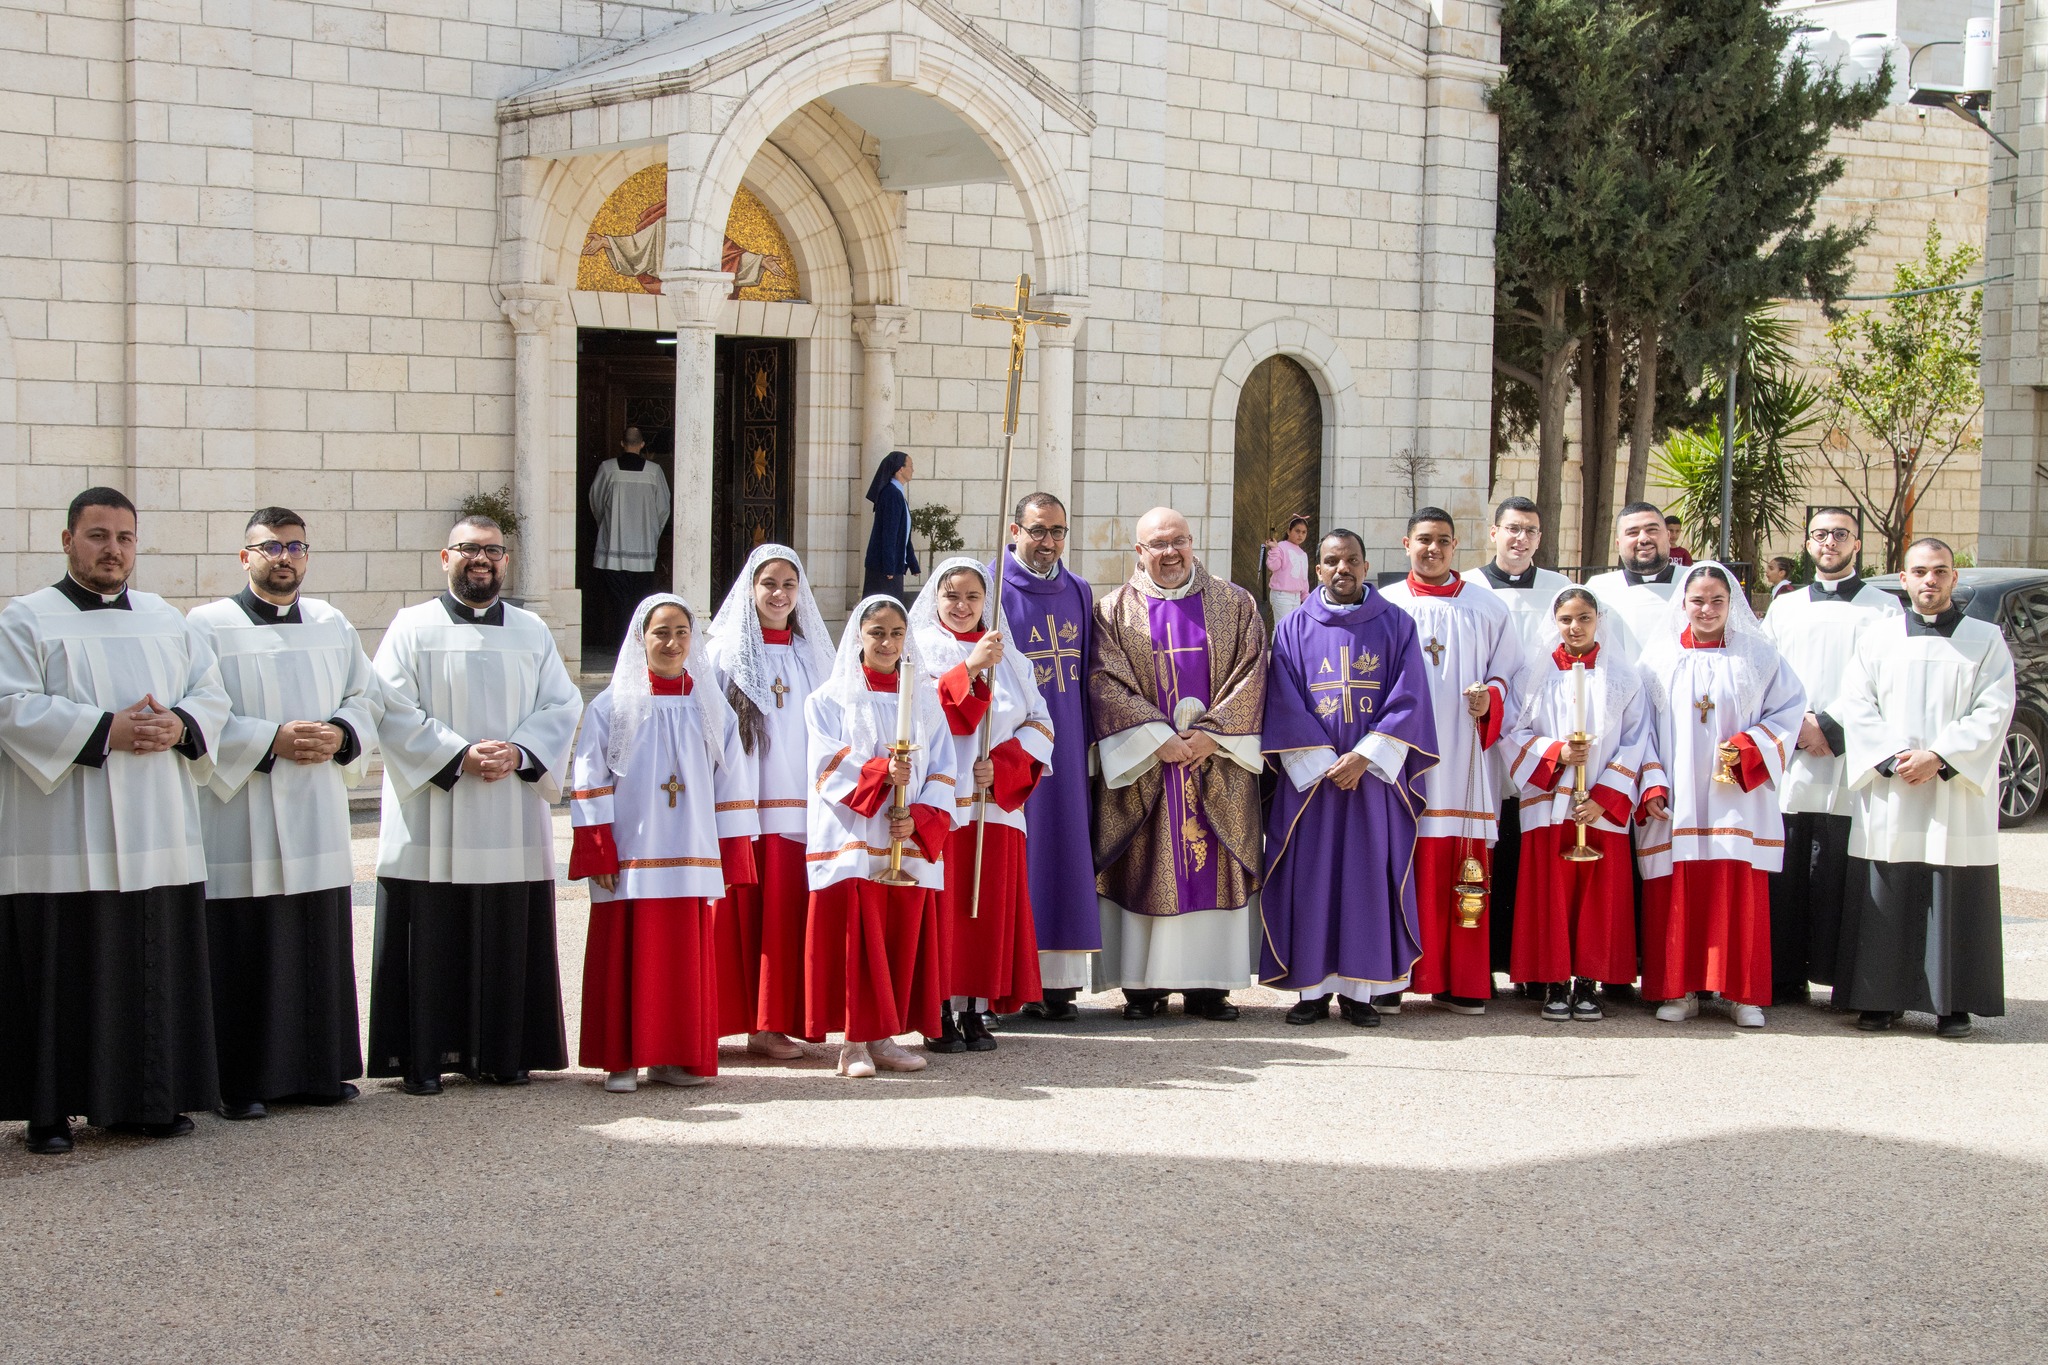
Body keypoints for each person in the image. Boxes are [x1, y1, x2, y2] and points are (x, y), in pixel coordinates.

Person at [0, 487, 232, 1154]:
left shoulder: (166, 619)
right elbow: (10, 705)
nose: (113, 550)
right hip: (60, 834)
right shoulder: (26, 618)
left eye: (125, 537)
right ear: (67, 540)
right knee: (61, 967)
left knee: (148, 964)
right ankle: (49, 1111)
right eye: (98, 535)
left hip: (156, 827)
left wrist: (180, 724)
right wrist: (107, 730)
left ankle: (146, 1100)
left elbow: (211, 693)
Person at [368, 515, 584, 1094]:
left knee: (506, 928)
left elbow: (562, 704)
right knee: (430, 932)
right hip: (434, 809)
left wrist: (519, 751)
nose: (481, 559)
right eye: (468, 549)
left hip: (508, 806)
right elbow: (389, 705)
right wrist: (456, 754)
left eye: (492, 550)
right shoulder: (411, 626)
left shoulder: (532, 630)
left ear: (505, 561)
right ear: (446, 558)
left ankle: (504, 1055)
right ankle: (422, 1060)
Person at [188, 508, 383, 1121]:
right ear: (244, 556)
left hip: (315, 805)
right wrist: (267, 740)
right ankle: (239, 1080)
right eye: (270, 546)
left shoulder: (331, 622)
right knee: (244, 940)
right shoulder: (206, 625)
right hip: (240, 808)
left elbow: (367, 695)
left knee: (314, 936)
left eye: (295, 547)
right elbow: (197, 707)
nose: (284, 557)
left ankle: (317, 1071)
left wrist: (342, 732)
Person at [568, 595, 755, 1092]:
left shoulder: (711, 708)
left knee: (680, 962)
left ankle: (673, 1057)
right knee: (626, 955)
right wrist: (598, 849)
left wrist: (734, 853)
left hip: (692, 850)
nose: (672, 643)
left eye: (681, 632)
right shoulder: (612, 705)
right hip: (630, 852)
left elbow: (733, 781)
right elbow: (589, 779)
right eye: (661, 632)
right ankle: (622, 1060)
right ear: (641, 638)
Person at [1833, 538, 2014, 1038]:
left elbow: (1996, 708)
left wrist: (1940, 756)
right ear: (1904, 578)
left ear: (1954, 578)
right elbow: (1857, 704)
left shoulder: (1985, 639)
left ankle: (1952, 1005)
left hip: (1953, 793)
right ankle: (1878, 999)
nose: (1929, 580)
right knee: (1887, 886)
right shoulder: (1878, 638)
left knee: (1952, 889)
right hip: (1892, 786)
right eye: (1919, 571)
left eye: (1939, 571)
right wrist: (1895, 755)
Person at [1090, 507, 1267, 1021]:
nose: (1171, 553)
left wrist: (1214, 735)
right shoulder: (1112, 611)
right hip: (1147, 769)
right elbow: (1103, 681)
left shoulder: (1235, 604)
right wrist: (1155, 738)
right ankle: (1142, 987)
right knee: (1146, 865)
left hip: (1217, 764)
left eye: (1179, 541)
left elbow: (1254, 672)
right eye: (1158, 544)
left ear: (1192, 543)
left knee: (1211, 864)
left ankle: (1210, 986)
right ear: (1139, 551)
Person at [1260, 529, 1437, 1026]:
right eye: (1333, 561)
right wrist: (1321, 763)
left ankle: (1361, 991)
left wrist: (1364, 758)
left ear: (1365, 565)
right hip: (1313, 785)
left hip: (1372, 780)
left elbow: (1409, 698)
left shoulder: (1396, 624)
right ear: (1317, 569)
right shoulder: (1292, 627)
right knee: (1311, 880)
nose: (1343, 569)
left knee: (1367, 878)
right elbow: (1283, 700)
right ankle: (1312, 990)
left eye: (1352, 560)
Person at [1635, 562, 1806, 1029]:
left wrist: (1750, 748)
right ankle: (1679, 989)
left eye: (1717, 601)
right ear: (1683, 603)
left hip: (1737, 798)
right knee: (1678, 888)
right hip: (1678, 798)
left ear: (1732, 604)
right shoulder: (1657, 660)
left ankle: (1742, 994)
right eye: (1698, 600)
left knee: (1737, 885)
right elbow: (1639, 729)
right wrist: (1651, 781)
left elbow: (1789, 711)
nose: (1707, 609)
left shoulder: (1759, 657)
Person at [804, 596, 956, 1077]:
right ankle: (853, 1044)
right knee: (857, 940)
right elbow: (825, 766)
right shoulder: (828, 699)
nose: (887, 643)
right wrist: (880, 773)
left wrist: (920, 818)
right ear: (859, 635)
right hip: (855, 835)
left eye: (896, 633)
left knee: (893, 939)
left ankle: (884, 1038)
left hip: (904, 837)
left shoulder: (926, 701)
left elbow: (945, 768)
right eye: (877, 633)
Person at [700, 543, 837, 1060]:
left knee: (783, 917)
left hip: (800, 807)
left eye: (788, 585)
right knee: (732, 914)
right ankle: (713, 1020)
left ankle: (770, 1023)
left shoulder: (813, 654)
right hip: (742, 804)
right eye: (769, 584)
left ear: (800, 592)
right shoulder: (723, 653)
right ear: (750, 589)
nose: (779, 594)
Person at [911, 558, 1054, 1051]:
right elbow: (920, 715)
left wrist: (1005, 766)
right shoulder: (919, 649)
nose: (962, 606)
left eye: (973, 597)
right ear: (936, 597)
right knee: (945, 907)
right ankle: (937, 1010)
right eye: (952, 595)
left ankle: (975, 1008)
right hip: (943, 801)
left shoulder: (1011, 659)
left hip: (994, 804)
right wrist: (969, 667)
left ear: (986, 602)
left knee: (986, 908)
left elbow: (1041, 723)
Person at [1758, 508, 1900, 1003]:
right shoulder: (1785, 607)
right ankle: (1783, 975)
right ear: (1807, 544)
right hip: (1794, 752)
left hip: (1851, 756)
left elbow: (1887, 680)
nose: (1829, 542)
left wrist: (1831, 727)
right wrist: (1798, 724)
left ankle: (1844, 978)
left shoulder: (1884, 609)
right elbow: (1766, 673)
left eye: (1841, 534)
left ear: (1857, 544)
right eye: (1820, 534)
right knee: (1789, 866)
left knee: (1842, 867)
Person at [1383, 508, 1520, 1015]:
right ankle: (1390, 976)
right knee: (1397, 865)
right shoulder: (1385, 605)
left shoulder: (1487, 607)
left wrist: (1492, 697)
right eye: (1424, 539)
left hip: (1465, 759)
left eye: (1443, 540)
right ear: (1406, 544)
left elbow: (1513, 674)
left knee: (1464, 867)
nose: (1433, 549)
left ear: (1456, 545)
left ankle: (1460, 979)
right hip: (1400, 761)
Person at [1503, 588, 1662, 1021]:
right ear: (1554, 622)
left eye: (1584, 618)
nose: (1575, 628)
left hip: (1601, 807)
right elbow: (1511, 733)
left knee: (1599, 897)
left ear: (1599, 620)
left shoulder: (1623, 678)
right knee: (1550, 893)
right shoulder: (1531, 677)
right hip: (1548, 802)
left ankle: (1589, 981)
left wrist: (1603, 798)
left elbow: (1636, 741)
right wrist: (1557, 753)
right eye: (1566, 619)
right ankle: (1554, 981)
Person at [990, 493, 1098, 1021]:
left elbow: (1092, 671)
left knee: (1062, 852)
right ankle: (1000, 980)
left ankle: (1055, 983)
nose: (1049, 542)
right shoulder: (989, 588)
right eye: (1038, 530)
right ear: (1015, 531)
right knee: (1012, 855)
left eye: (1057, 531)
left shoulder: (1078, 589)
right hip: (1012, 746)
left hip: (1068, 746)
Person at [1463, 495, 1571, 986]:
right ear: (1494, 532)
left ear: (1540, 538)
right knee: (1487, 844)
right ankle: (1481, 960)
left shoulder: (1560, 589)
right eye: (1512, 528)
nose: (1520, 538)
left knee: (1530, 849)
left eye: (1530, 530)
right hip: (1481, 733)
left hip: (1540, 734)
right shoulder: (1469, 588)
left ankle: (1529, 966)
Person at [588, 427, 672, 650]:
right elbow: (663, 508)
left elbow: (596, 502)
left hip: (613, 549)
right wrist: (652, 533)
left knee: (618, 602)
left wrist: (607, 527)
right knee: (640, 601)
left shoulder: (608, 469)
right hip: (644, 550)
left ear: (622, 443)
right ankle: (637, 646)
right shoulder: (654, 471)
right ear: (642, 444)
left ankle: (619, 644)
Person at [1586, 502, 1683, 660]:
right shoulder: (1598, 589)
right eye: (1632, 532)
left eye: (1652, 530)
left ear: (1668, 536)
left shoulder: (1693, 582)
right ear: (1618, 544)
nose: (1643, 539)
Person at [861, 450, 919, 603]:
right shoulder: (891, 494)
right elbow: (889, 533)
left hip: (891, 567)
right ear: (900, 469)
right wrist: (889, 567)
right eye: (910, 466)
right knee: (882, 610)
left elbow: (903, 534)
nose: (913, 470)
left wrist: (912, 563)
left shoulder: (896, 493)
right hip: (884, 569)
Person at [1263, 514, 1312, 624]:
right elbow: (1273, 566)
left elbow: (1303, 579)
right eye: (1297, 531)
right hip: (1282, 595)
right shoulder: (1281, 546)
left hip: (1296, 597)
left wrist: (1306, 597)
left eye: (1304, 532)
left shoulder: (1303, 554)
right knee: (1282, 626)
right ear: (1289, 531)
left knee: (1292, 628)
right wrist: (1274, 549)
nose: (1300, 535)